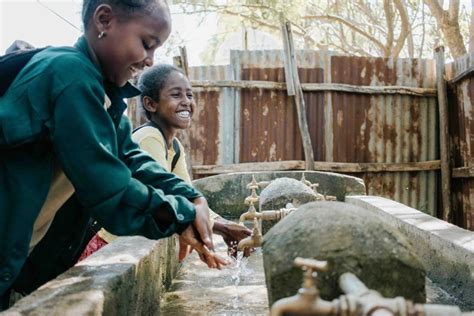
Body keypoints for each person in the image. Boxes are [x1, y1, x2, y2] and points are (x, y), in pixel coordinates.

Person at [0, 0, 226, 310]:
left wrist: (191, 197)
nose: (150, 60)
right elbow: (111, 190)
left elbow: (131, 158)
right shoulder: (70, 77)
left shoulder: (104, 94)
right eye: (146, 44)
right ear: (104, 20)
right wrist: (180, 215)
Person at [81, 64, 252, 261]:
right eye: (176, 95)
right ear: (150, 103)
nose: (186, 102)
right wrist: (222, 228)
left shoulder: (174, 146)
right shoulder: (149, 136)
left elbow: (187, 195)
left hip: (127, 246)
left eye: (189, 95)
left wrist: (225, 225)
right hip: (108, 244)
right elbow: (164, 198)